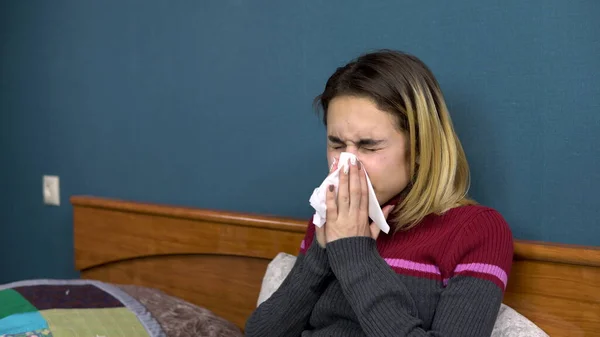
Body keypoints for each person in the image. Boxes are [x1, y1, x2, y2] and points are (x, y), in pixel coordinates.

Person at [245, 49, 514, 337]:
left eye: (369, 146)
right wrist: (321, 254)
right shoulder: (331, 215)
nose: (346, 166)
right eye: (336, 145)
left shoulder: (477, 231)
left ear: (421, 148)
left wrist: (353, 253)